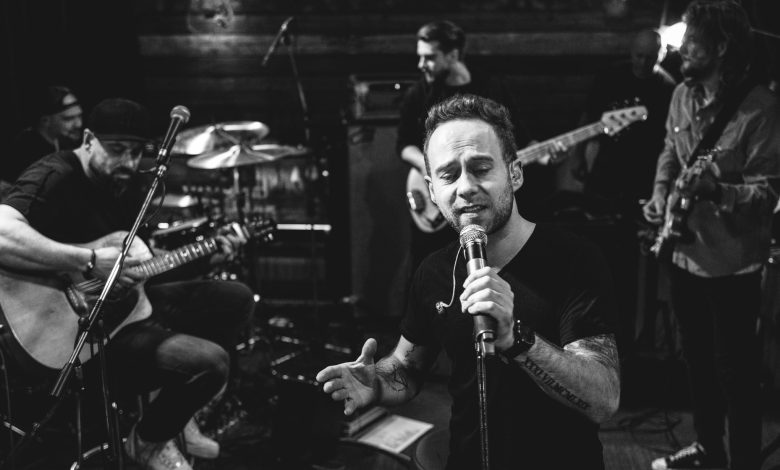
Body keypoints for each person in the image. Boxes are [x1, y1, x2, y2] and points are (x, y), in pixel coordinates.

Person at [318, 94, 621, 469]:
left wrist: (517, 340)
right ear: (432, 190)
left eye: (480, 168)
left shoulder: (575, 258)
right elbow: (408, 366)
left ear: (515, 173)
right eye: (449, 175)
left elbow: (604, 399)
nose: (465, 187)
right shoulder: (434, 271)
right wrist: (377, 382)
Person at [0, 98, 254, 470]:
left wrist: (209, 255)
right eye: (117, 150)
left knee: (233, 297)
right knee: (211, 363)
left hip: (122, 313)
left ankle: (174, 415)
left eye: (136, 152)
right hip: (70, 333)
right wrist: (87, 260)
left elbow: (137, 269)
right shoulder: (55, 173)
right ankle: (151, 440)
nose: (128, 162)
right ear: (89, 140)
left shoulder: (126, 185)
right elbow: (3, 233)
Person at [642, 2, 780, 469]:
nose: (682, 49)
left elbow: (767, 193)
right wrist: (660, 193)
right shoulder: (681, 94)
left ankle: (744, 461)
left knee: (735, 374)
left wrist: (717, 191)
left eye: (692, 41)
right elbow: (670, 148)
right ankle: (707, 451)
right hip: (684, 253)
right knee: (696, 363)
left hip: (733, 261)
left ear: (721, 47)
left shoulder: (760, 108)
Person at [396, 20, 532, 269]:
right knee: (431, 266)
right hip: (439, 202)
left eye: (429, 57)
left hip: (485, 207)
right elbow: (404, 145)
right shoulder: (418, 94)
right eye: (420, 57)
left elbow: (518, 139)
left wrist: (544, 152)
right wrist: (435, 173)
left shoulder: (491, 87)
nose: (421, 64)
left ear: (453, 55)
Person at [578, 29, 676, 208]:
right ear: (631, 52)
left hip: (643, 171)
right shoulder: (611, 76)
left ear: (662, 55)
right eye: (639, 56)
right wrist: (579, 155)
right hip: (606, 166)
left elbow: (668, 140)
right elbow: (589, 115)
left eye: (650, 57)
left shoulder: (668, 88)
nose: (643, 62)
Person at [1, 85, 83, 190]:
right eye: (68, 119)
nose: (79, 124)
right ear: (45, 120)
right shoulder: (25, 151)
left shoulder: (63, 142)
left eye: (79, 116)